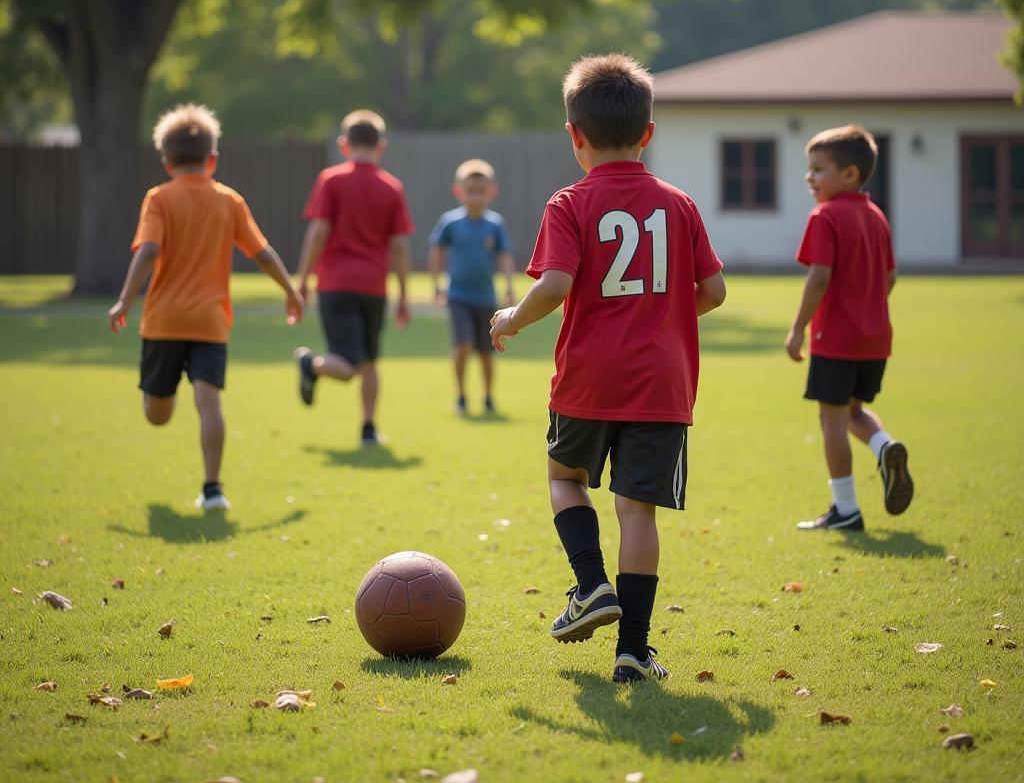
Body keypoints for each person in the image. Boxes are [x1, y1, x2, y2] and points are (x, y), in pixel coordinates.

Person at [490, 53, 726, 684]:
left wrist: (511, 316)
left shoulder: (569, 201)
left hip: (589, 376)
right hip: (662, 383)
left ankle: (591, 585)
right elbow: (715, 291)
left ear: (575, 136)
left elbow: (556, 284)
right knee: (637, 511)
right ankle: (634, 651)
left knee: (566, 478)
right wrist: (666, 316)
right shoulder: (678, 204)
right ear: (648, 133)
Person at [108, 104, 303, 511]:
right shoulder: (229, 201)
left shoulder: (158, 198)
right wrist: (291, 289)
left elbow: (148, 252)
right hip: (210, 322)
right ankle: (213, 489)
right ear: (212, 159)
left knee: (157, 414)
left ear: (166, 161)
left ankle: (208, 479)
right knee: (209, 402)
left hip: (163, 321)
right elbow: (262, 253)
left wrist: (125, 300)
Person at [785, 124, 913, 531]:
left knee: (832, 421)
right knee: (855, 411)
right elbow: (890, 278)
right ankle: (884, 444)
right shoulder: (876, 215)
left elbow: (819, 277)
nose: (809, 177)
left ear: (850, 174)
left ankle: (846, 509)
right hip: (875, 340)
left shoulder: (825, 216)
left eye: (818, 169)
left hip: (835, 340)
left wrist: (798, 328)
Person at [293, 109, 414, 445]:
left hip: (334, 282)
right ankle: (311, 364)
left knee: (367, 362)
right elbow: (401, 246)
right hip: (373, 286)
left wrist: (302, 279)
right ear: (381, 146)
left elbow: (318, 232)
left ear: (344, 144)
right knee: (357, 365)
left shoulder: (331, 179)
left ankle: (368, 428)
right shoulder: (391, 187)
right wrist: (403, 294)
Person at [427, 159, 515, 416]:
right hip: (458, 296)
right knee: (462, 345)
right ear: (459, 191)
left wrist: (508, 285)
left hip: (485, 297)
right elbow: (436, 250)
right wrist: (436, 284)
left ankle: (488, 396)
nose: (476, 196)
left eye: (481, 190)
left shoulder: (495, 224)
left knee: (487, 352)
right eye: (470, 190)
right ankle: (461, 395)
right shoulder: (450, 222)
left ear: (491, 192)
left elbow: (505, 255)